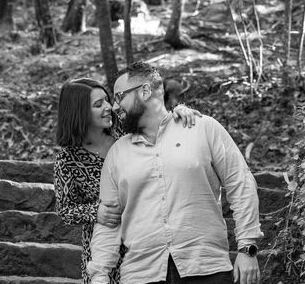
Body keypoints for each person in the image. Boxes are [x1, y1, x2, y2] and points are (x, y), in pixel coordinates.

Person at [88, 61, 263, 284]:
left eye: (119, 97)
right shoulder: (116, 154)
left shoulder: (203, 128)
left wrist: (247, 248)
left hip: (206, 269)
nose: (114, 107)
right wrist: (99, 275)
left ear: (144, 91)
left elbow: (241, 184)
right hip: (141, 274)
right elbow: (108, 221)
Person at [54, 78, 199, 284]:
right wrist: (96, 211)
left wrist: (179, 111)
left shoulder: (126, 129)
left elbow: (157, 121)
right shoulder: (67, 160)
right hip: (104, 248)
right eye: (98, 105)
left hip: (147, 240)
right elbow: (65, 209)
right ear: (79, 112)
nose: (108, 107)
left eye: (107, 100)